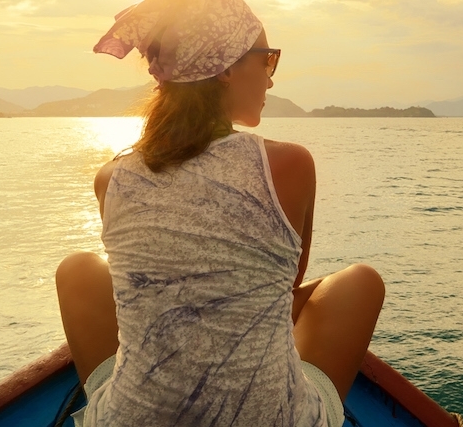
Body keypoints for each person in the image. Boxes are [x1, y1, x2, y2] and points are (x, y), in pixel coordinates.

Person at [55, 0, 384, 425]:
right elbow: (290, 284)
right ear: (226, 68)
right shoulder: (289, 166)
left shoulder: (111, 177)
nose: (270, 78)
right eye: (267, 59)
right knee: (360, 282)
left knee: (77, 269)